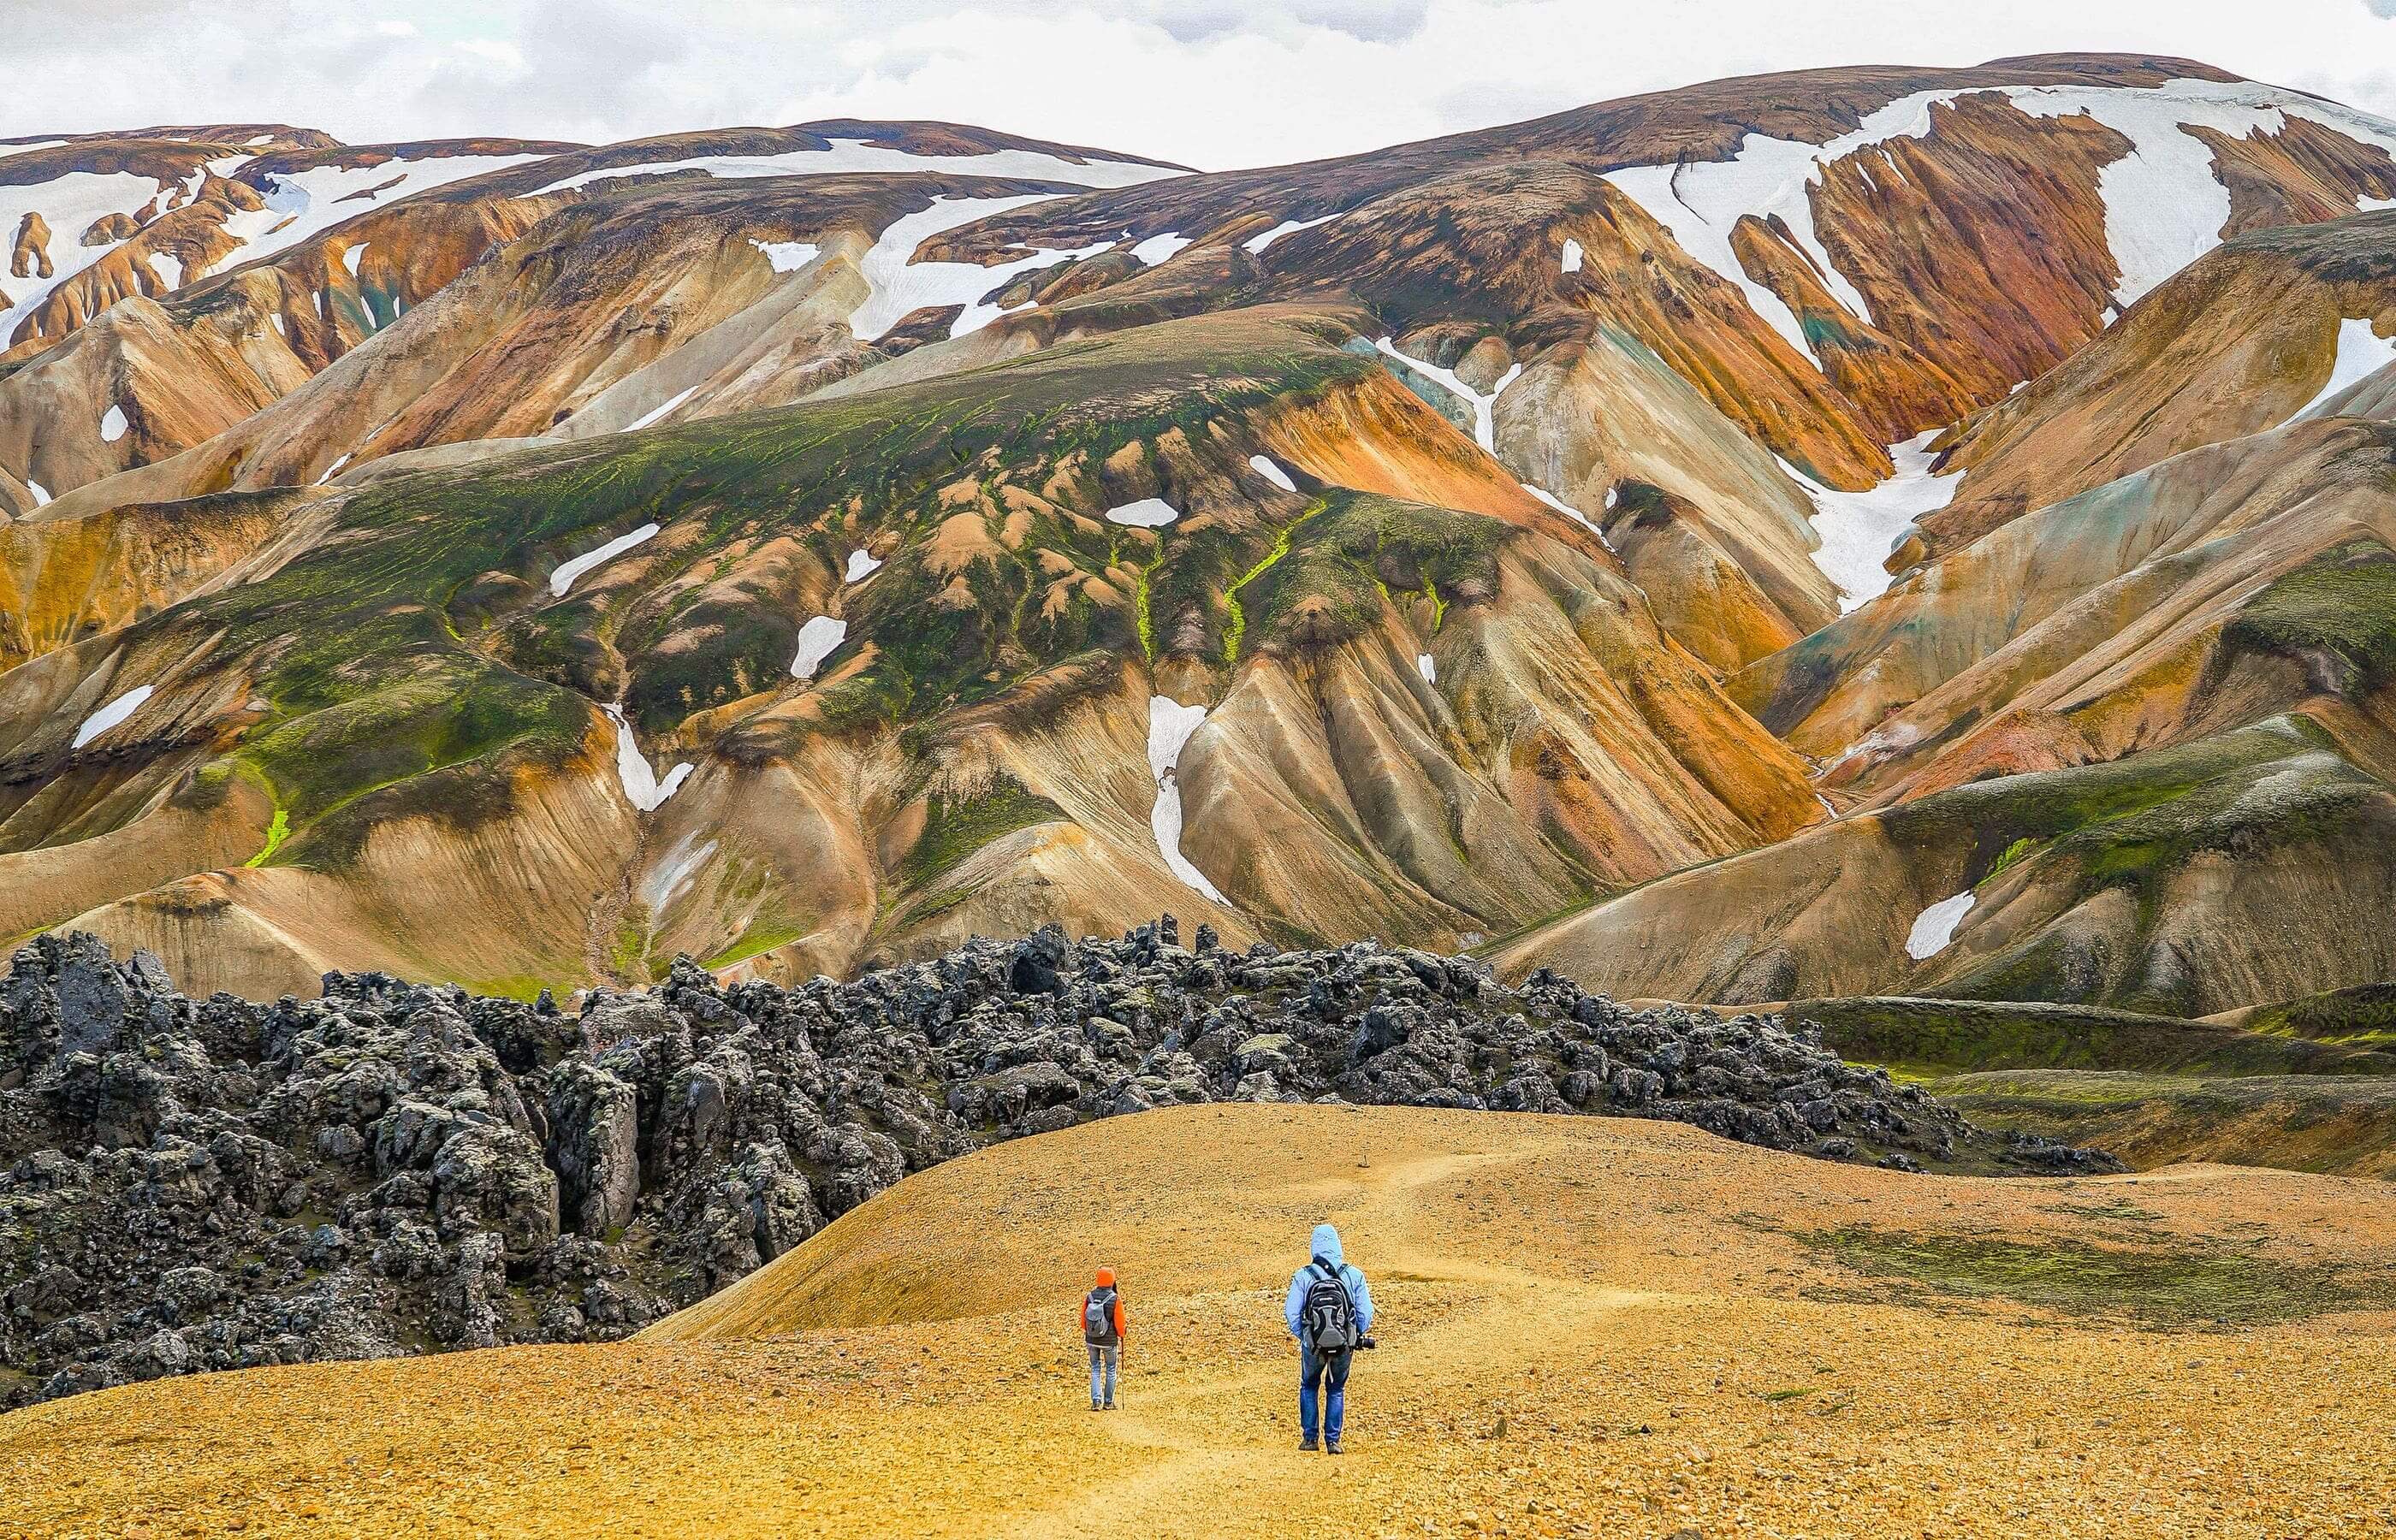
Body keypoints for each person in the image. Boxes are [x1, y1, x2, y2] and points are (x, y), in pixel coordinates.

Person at [1284, 1223, 1373, 1454]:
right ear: (1337, 1245)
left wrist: (1306, 1337)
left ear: (1314, 1246)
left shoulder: (1304, 1275)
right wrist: (1353, 1336)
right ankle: (1333, 1442)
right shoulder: (1354, 1275)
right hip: (1344, 1344)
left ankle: (1310, 1439)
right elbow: (1365, 1313)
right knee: (1336, 1389)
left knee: (1309, 1385)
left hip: (1313, 1345)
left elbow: (1291, 1312)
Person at [1081, 1266, 1126, 1411]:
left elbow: (1083, 1321)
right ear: (1112, 1280)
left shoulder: (1090, 1297)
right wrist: (1122, 1334)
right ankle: (1108, 1402)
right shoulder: (1115, 1298)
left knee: (1095, 1368)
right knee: (1111, 1368)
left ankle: (1096, 1401)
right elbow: (1120, 1322)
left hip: (1091, 1339)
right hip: (1109, 1342)